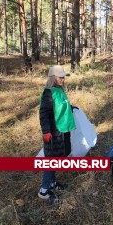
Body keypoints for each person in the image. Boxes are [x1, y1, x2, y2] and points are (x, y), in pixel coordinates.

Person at [38, 65, 76, 201]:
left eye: (64, 77)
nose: (63, 80)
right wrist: (46, 131)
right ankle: (44, 191)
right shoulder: (49, 92)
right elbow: (44, 113)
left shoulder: (59, 90)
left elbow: (60, 106)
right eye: (61, 77)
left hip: (62, 131)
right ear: (53, 77)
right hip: (53, 134)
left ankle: (53, 183)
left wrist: (70, 108)